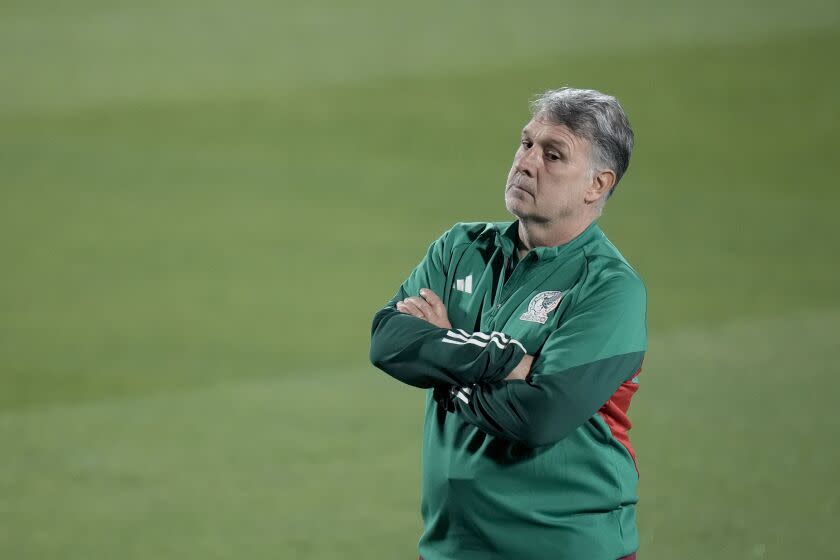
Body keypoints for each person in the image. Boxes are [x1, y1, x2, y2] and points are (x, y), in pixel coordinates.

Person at [369, 87, 646, 560]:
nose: (526, 162)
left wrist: (442, 362)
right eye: (526, 143)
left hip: (567, 548)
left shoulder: (610, 288)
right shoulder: (459, 247)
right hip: (452, 548)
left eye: (553, 155)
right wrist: (510, 359)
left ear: (597, 185)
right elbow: (388, 341)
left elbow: (540, 416)